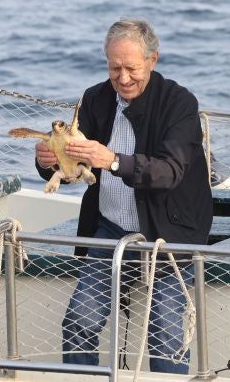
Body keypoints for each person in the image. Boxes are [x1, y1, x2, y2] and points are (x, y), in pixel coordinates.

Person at [34, 18, 212, 374]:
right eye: (115, 68)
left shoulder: (179, 104)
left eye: (132, 67)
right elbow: (74, 166)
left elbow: (168, 172)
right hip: (110, 229)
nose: (124, 77)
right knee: (79, 322)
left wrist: (112, 161)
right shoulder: (95, 98)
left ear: (153, 60)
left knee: (167, 336)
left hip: (169, 235)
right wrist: (47, 161)